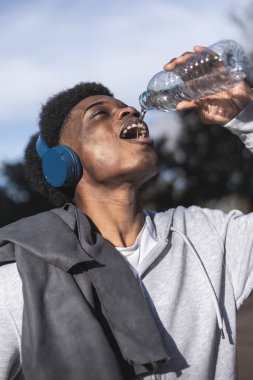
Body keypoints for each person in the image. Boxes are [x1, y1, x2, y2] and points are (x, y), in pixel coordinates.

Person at [0, 48, 253, 380]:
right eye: (99, 114)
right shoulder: (25, 277)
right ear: (63, 162)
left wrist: (246, 116)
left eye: (125, 106)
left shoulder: (207, 236)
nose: (131, 110)